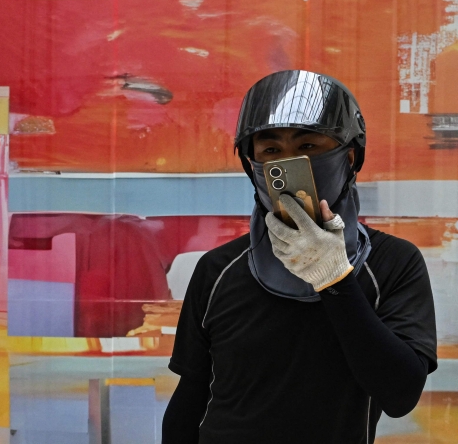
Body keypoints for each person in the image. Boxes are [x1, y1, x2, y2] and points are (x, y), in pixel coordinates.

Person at [163, 70, 437, 443]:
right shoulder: (218, 269)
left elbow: (400, 394)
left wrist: (335, 279)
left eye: (308, 146)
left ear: (349, 157)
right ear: (252, 165)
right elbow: (191, 396)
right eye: (271, 151)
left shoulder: (392, 263)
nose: (289, 163)